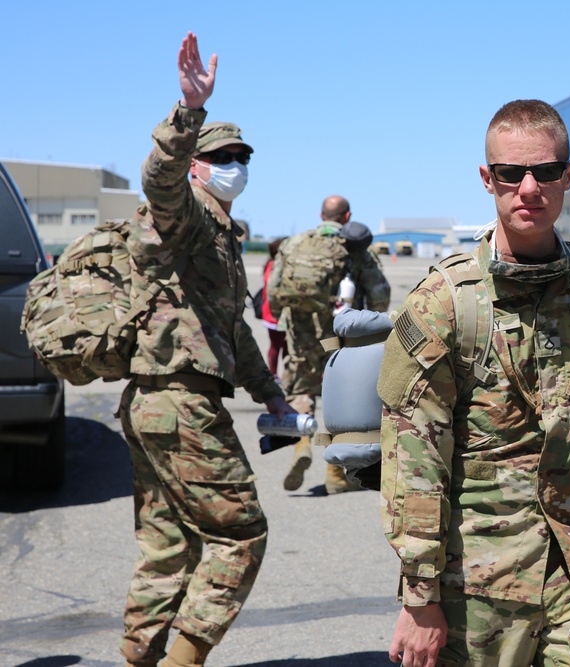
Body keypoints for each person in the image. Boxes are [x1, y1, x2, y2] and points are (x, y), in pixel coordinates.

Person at [377, 99, 570, 666]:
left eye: (545, 172)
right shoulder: (445, 303)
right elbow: (414, 458)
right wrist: (420, 598)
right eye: (511, 174)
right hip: (475, 577)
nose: (529, 188)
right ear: (488, 179)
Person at [118, 32, 294, 667]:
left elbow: (234, 332)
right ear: (197, 163)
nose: (235, 164)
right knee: (241, 532)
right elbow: (158, 178)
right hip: (179, 400)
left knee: (166, 546)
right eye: (222, 155)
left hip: (158, 400)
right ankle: (183, 660)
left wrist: (270, 392)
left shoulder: (222, 233)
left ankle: (139, 658)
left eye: (243, 155)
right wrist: (187, 111)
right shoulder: (184, 210)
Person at [271, 202, 390, 495]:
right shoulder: (354, 245)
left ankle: (301, 445)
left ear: (320, 215)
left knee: (301, 390)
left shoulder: (295, 243)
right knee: (344, 400)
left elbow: (275, 291)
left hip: (301, 328)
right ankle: (336, 475)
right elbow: (379, 293)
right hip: (342, 331)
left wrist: (285, 317)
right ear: (347, 216)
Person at [262, 236, 288, 380]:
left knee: (285, 346)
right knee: (276, 345)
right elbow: (271, 289)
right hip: (273, 313)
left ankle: (286, 374)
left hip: (276, 312)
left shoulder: (274, 264)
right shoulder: (274, 265)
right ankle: (272, 374)